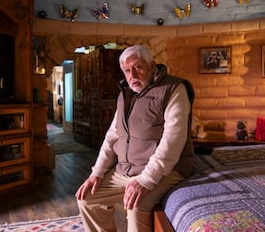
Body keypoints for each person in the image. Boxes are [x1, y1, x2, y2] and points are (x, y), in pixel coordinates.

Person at [75, 44, 194, 231]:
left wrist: (146, 180)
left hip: (166, 169)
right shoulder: (125, 94)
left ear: (152, 65)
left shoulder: (174, 89)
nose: (132, 75)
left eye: (138, 67)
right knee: (87, 199)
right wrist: (96, 173)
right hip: (126, 169)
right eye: (127, 70)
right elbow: (112, 136)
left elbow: (173, 141)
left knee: (136, 204)